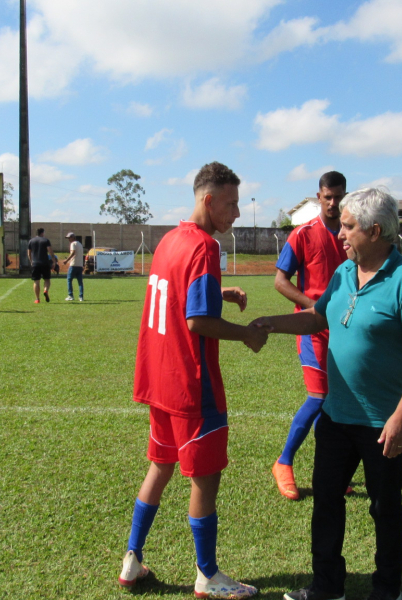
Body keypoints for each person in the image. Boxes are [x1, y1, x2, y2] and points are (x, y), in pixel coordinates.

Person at [251, 187, 402, 600]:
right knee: (327, 504)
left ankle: (387, 591)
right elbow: (318, 317)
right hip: (335, 416)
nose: (341, 234)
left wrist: (401, 417)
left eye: (349, 227)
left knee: (385, 509)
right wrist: (272, 323)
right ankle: (327, 587)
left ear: (375, 230)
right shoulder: (343, 273)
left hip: (381, 422)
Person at [119, 162, 266, 599]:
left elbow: (175, 291)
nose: (237, 213)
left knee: (160, 466)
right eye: (232, 203)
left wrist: (222, 292)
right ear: (209, 200)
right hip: (191, 384)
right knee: (205, 476)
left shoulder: (169, 240)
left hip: (157, 378)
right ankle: (208, 576)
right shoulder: (204, 248)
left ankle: (132, 559)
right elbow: (198, 320)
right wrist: (246, 335)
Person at [271, 171, 349, 501]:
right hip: (311, 329)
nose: (333, 203)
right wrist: (313, 304)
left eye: (338, 197)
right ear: (318, 196)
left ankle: (326, 471)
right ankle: (283, 462)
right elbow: (280, 281)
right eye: (327, 197)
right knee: (319, 397)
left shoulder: (351, 236)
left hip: (344, 331)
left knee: (333, 403)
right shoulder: (302, 235)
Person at [27, 227, 53, 304]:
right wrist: (54, 261)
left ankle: (37, 299)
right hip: (45, 263)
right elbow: (50, 251)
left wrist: (31, 261)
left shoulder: (31, 241)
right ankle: (45, 290)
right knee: (47, 279)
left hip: (35, 263)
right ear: (42, 233)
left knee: (36, 281)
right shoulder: (46, 240)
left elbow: (29, 253)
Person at [63, 232, 84, 301]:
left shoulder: (73, 244)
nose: (69, 239)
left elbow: (73, 253)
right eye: (68, 238)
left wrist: (66, 260)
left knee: (69, 279)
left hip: (73, 265)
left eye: (70, 237)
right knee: (80, 282)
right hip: (80, 265)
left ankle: (70, 295)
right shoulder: (80, 244)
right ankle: (81, 297)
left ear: (73, 237)